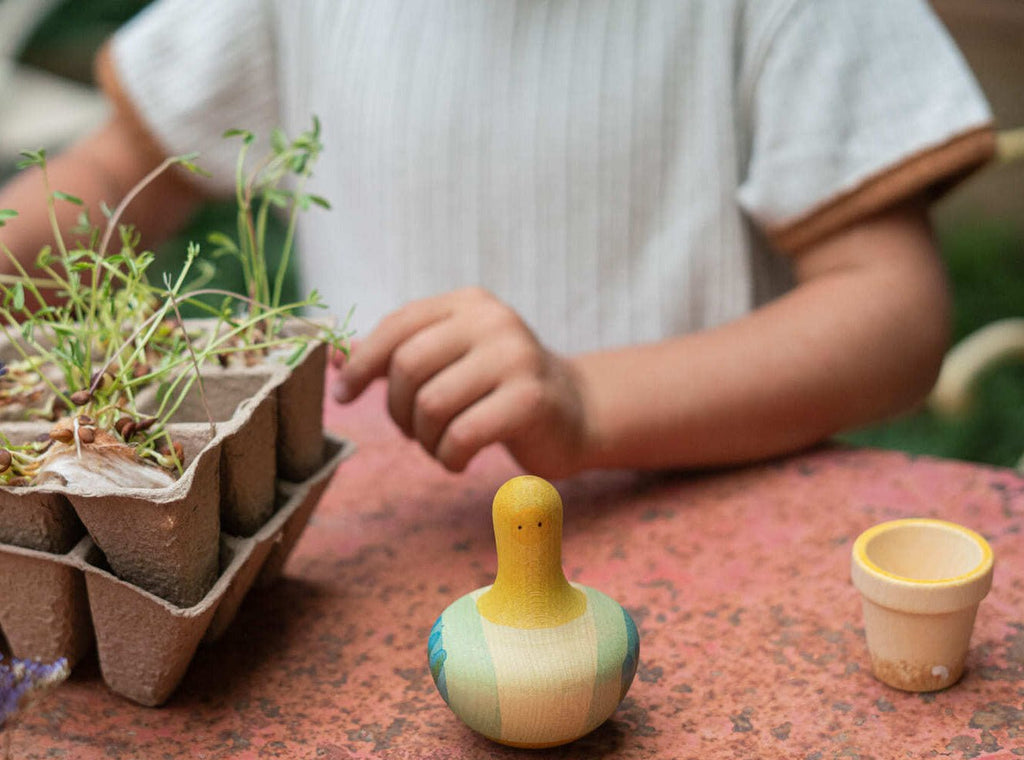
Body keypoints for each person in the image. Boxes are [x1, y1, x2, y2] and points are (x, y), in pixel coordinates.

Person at [0, 0, 995, 478]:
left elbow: (892, 309)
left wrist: (593, 404)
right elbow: (112, 173)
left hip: (703, 519)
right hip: (375, 548)